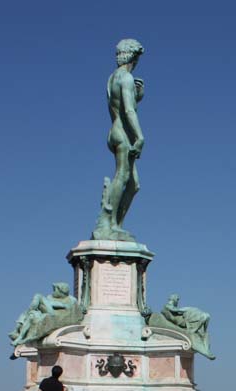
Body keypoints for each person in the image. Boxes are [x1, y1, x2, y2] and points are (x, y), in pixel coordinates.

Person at [93, 38, 146, 241]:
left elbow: (123, 103)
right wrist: (140, 136)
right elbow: (128, 110)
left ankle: (116, 225)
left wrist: (137, 95)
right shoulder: (126, 78)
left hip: (115, 130)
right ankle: (105, 224)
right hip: (122, 132)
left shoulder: (113, 78)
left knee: (133, 184)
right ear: (134, 56)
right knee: (122, 176)